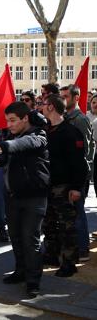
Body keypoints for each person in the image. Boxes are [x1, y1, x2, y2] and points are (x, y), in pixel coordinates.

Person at [0, 102, 50, 298]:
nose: (9, 125)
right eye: (7, 120)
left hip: (34, 198)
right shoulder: (12, 136)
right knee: (16, 239)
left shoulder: (39, 135)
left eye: (12, 120)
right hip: (12, 197)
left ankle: (33, 281)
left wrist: (7, 145)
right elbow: (4, 159)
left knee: (30, 240)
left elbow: (26, 144)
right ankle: (20, 272)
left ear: (25, 118)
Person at [39, 94, 87, 277]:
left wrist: (76, 187)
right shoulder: (46, 130)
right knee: (49, 224)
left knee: (67, 226)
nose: (41, 107)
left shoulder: (70, 132)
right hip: (48, 185)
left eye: (43, 104)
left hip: (65, 187)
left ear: (51, 107)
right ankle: (51, 254)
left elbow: (79, 163)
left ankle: (69, 262)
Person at [60, 84, 94, 262]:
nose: (63, 99)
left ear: (76, 98)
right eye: (62, 96)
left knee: (78, 212)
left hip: (78, 174)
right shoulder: (65, 117)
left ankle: (83, 249)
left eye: (66, 96)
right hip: (67, 173)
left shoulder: (79, 119)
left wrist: (80, 175)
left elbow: (86, 149)